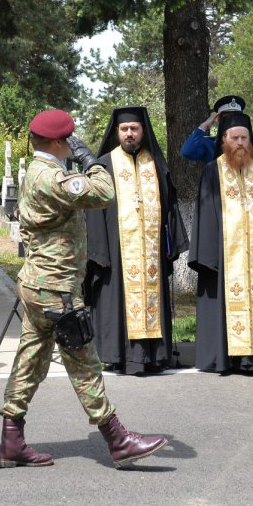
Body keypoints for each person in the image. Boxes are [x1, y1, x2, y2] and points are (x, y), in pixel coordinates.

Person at [0, 109, 166, 469]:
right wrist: (90, 159)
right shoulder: (53, 178)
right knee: (85, 365)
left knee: (30, 360)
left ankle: (11, 440)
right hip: (56, 288)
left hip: (37, 284)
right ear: (59, 142)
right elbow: (106, 191)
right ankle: (118, 440)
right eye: (70, 139)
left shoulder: (40, 172)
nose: (73, 144)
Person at [84, 106, 189, 374]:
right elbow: (92, 212)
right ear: (117, 132)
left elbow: (169, 208)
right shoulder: (104, 165)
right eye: (124, 129)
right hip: (117, 253)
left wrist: (170, 247)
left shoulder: (155, 165)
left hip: (151, 252)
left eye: (134, 128)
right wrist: (98, 252)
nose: (129, 133)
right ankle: (118, 356)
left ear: (143, 131)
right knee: (118, 300)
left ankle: (154, 356)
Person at [187, 111, 253, 374]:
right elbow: (204, 217)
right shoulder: (212, 170)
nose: (239, 143)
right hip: (226, 257)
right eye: (234, 138)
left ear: (251, 141)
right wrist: (211, 258)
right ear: (224, 139)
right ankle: (225, 359)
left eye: (244, 138)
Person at [180, 95, 253, 163]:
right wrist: (204, 125)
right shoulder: (209, 144)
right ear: (218, 119)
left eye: (236, 116)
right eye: (227, 117)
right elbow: (187, 152)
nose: (232, 121)